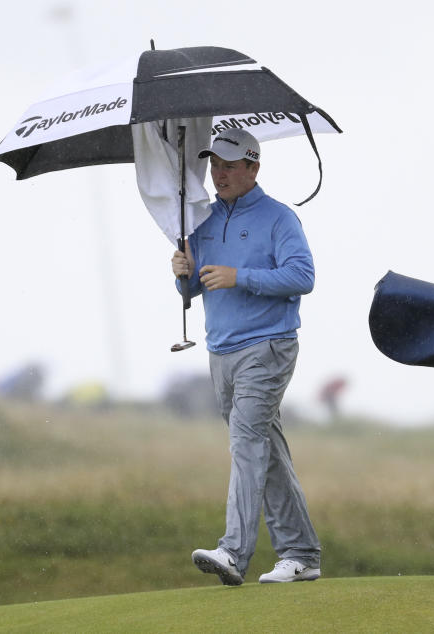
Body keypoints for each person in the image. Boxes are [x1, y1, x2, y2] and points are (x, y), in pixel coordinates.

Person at [171, 127, 321, 586]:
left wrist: (242, 277)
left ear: (254, 167)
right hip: (221, 351)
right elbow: (193, 287)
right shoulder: (202, 220)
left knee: (246, 440)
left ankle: (233, 552)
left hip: (268, 345)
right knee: (264, 449)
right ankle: (301, 554)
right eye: (214, 165)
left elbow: (302, 276)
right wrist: (182, 274)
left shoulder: (279, 218)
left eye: (230, 166)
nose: (219, 174)